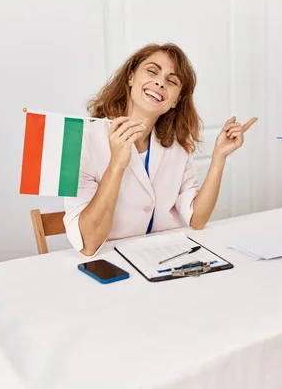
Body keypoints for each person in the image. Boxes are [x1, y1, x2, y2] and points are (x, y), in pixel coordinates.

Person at [63, 43, 257, 256]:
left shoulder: (176, 146)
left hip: (168, 258)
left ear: (175, 101)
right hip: (111, 263)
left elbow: (197, 219)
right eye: (152, 71)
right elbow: (88, 244)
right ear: (130, 77)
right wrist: (117, 164)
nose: (160, 83)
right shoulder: (76, 143)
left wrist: (219, 157)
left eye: (172, 81)